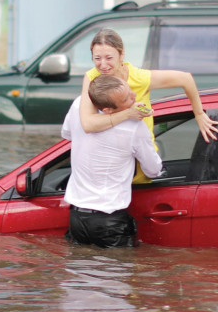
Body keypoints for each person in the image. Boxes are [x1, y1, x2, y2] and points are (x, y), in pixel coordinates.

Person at [62, 75, 163, 248]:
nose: (134, 96)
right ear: (108, 110)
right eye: (126, 98)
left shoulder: (79, 106)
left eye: (129, 89)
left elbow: (67, 134)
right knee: (116, 273)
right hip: (109, 222)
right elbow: (153, 170)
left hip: (76, 218)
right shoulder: (135, 127)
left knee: (79, 272)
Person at [78, 28, 218, 147]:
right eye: (97, 58)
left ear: (122, 55)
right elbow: (88, 124)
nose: (102, 65)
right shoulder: (92, 77)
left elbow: (186, 79)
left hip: (142, 155)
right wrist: (128, 114)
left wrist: (199, 114)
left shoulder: (139, 78)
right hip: (112, 154)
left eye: (109, 58)